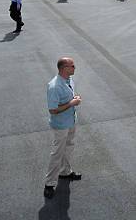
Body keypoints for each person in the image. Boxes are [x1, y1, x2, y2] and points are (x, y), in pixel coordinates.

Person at [44, 57, 82, 199]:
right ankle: (49, 184)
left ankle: (65, 172)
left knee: (69, 147)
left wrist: (74, 98)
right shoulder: (54, 86)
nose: (74, 67)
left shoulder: (69, 80)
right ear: (64, 68)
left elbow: (69, 98)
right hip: (60, 126)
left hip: (71, 121)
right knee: (57, 153)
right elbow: (53, 110)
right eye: (72, 66)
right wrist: (72, 103)